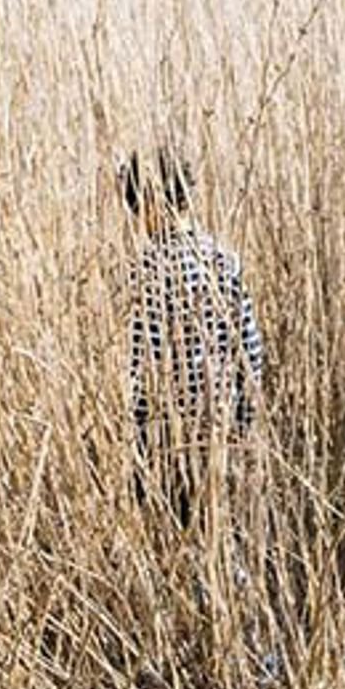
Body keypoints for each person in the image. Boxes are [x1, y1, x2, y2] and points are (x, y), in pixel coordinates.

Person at [124, 148, 264, 531]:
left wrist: (136, 442)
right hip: (222, 431)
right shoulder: (224, 260)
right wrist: (244, 425)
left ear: (150, 204)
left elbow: (140, 365)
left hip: (166, 440)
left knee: (175, 541)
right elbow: (250, 355)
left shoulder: (144, 272)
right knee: (222, 539)